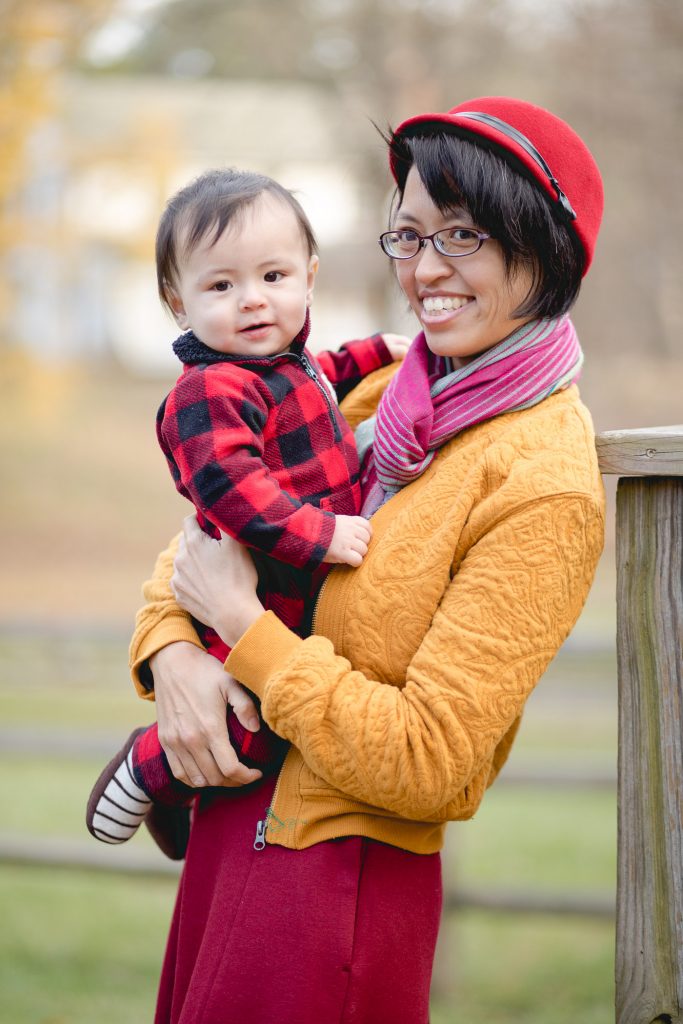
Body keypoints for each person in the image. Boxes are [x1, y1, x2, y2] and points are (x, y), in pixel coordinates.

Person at [128, 97, 606, 1024]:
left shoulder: (541, 480)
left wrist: (239, 631)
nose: (425, 269)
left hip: (336, 891)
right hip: (235, 836)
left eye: (461, 236)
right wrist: (175, 655)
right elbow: (211, 528)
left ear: (543, 249)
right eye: (410, 235)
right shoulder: (387, 389)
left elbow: (428, 760)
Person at [86, 167, 409, 856]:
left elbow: (324, 372)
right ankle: (150, 767)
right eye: (221, 286)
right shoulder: (208, 391)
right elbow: (233, 490)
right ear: (178, 302)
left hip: (295, 588)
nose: (253, 301)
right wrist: (319, 535)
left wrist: (381, 351)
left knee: (267, 716)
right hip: (268, 582)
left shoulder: (283, 365)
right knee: (253, 719)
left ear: (309, 276)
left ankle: (181, 789)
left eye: (273, 276)